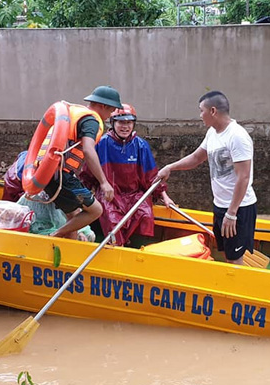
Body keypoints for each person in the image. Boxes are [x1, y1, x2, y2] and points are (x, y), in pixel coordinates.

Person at [157, 91, 257, 265]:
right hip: (220, 205)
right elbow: (196, 158)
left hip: (238, 208)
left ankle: (236, 287)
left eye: (201, 111)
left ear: (213, 111)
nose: (199, 116)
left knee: (235, 258)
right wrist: (170, 167)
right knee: (227, 252)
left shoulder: (237, 136)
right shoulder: (213, 133)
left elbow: (244, 177)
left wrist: (232, 213)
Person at [81, 103, 174, 246]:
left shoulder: (141, 145)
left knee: (146, 215)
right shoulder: (102, 143)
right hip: (110, 195)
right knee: (112, 220)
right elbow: (88, 173)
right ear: (113, 123)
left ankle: (137, 250)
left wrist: (165, 197)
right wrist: (82, 196)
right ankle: (115, 250)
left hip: (135, 194)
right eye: (121, 122)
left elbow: (152, 176)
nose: (125, 126)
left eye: (129, 122)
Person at [38, 86, 123, 239]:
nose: (110, 115)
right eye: (111, 111)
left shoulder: (75, 114)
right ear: (103, 106)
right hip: (59, 176)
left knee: (74, 214)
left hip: (47, 172)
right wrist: (104, 182)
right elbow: (88, 150)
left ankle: (70, 250)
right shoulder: (91, 121)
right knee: (96, 210)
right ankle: (54, 236)